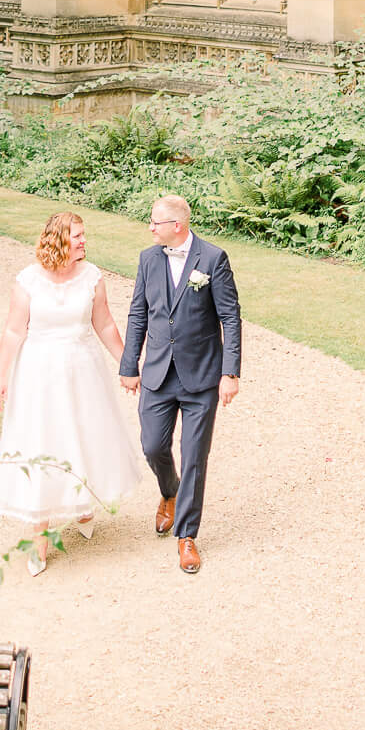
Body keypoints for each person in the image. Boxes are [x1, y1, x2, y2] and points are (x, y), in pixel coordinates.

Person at [0, 210, 143, 575]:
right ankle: (39, 538)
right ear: (58, 239)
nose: (84, 240)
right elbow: (13, 331)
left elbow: (103, 324)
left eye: (84, 235)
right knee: (41, 443)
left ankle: (82, 505)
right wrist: (1, 377)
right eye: (77, 236)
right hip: (38, 374)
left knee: (85, 434)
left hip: (83, 369)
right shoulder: (27, 281)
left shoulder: (92, 278)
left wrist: (128, 365)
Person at [118, 193, 242, 575]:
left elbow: (230, 317)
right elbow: (139, 312)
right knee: (152, 445)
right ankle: (169, 492)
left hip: (201, 375)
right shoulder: (148, 259)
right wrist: (129, 365)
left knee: (194, 457)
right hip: (157, 372)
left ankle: (187, 536)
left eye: (155, 222)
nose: (150, 227)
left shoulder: (213, 259)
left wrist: (230, 372)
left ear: (178, 225)